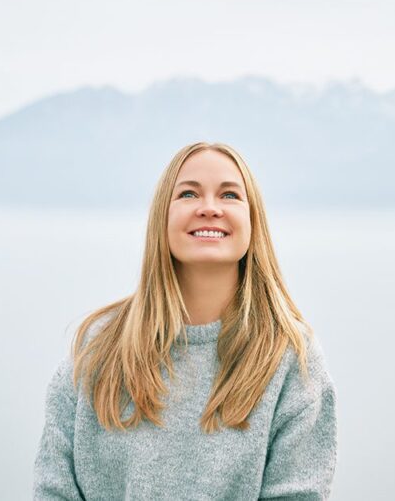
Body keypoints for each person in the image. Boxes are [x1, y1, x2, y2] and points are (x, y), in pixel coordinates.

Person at [33, 141, 337, 500]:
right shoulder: (96, 348)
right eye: (189, 193)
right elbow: (54, 490)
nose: (209, 208)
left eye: (229, 195)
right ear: (163, 216)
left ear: (254, 222)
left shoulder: (290, 359)